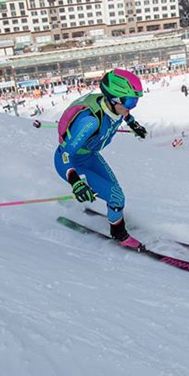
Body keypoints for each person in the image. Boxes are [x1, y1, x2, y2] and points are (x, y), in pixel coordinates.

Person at [54, 69, 148, 249]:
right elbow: (65, 153)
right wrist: (76, 182)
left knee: (116, 194)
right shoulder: (90, 122)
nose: (131, 106)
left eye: (135, 101)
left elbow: (125, 114)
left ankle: (115, 213)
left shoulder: (116, 108)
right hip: (70, 163)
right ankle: (119, 235)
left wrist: (133, 124)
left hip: (90, 156)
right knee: (117, 197)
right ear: (114, 99)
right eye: (130, 101)